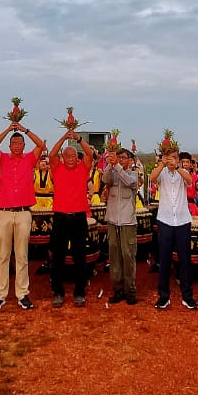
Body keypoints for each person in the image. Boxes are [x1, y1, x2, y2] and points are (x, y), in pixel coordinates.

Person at [0, 122, 46, 311]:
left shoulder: (29, 159)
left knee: (22, 255)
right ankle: (0, 294)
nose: (17, 145)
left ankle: (22, 293)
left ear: (23, 145)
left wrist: (25, 130)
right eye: (14, 143)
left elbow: (41, 145)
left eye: (20, 143)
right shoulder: (3, 159)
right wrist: (8, 129)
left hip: (23, 213)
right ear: (10, 145)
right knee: (3, 255)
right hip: (4, 212)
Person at [48, 130, 95, 308]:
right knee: (58, 257)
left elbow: (90, 154)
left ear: (77, 158)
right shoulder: (57, 168)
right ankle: (58, 292)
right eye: (67, 155)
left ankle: (79, 292)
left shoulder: (83, 168)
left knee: (79, 256)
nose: (70, 158)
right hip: (60, 218)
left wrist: (78, 139)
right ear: (63, 157)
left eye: (74, 155)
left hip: (78, 218)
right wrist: (63, 138)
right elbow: (52, 154)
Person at [150, 147, 197, 310]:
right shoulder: (161, 172)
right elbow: (152, 177)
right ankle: (163, 297)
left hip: (183, 220)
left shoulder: (182, 172)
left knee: (185, 260)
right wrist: (162, 164)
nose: (172, 160)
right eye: (169, 157)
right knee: (164, 260)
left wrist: (177, 166)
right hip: (165, 220)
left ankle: (187, 296)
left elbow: (190, 181)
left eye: (175, 157)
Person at [103, 147, 140, 305]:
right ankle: (117, 290)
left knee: (128, 256)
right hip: (112, 220)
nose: (120, 160)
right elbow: (105, 179)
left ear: (130, 161)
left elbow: (129, 181)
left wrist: (116, 166)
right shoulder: (113, 172)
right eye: (118, 157)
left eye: (123, 158)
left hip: (127, 222)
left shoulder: (133, 175)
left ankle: (130, 290)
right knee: (115, 257)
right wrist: (109, 166)